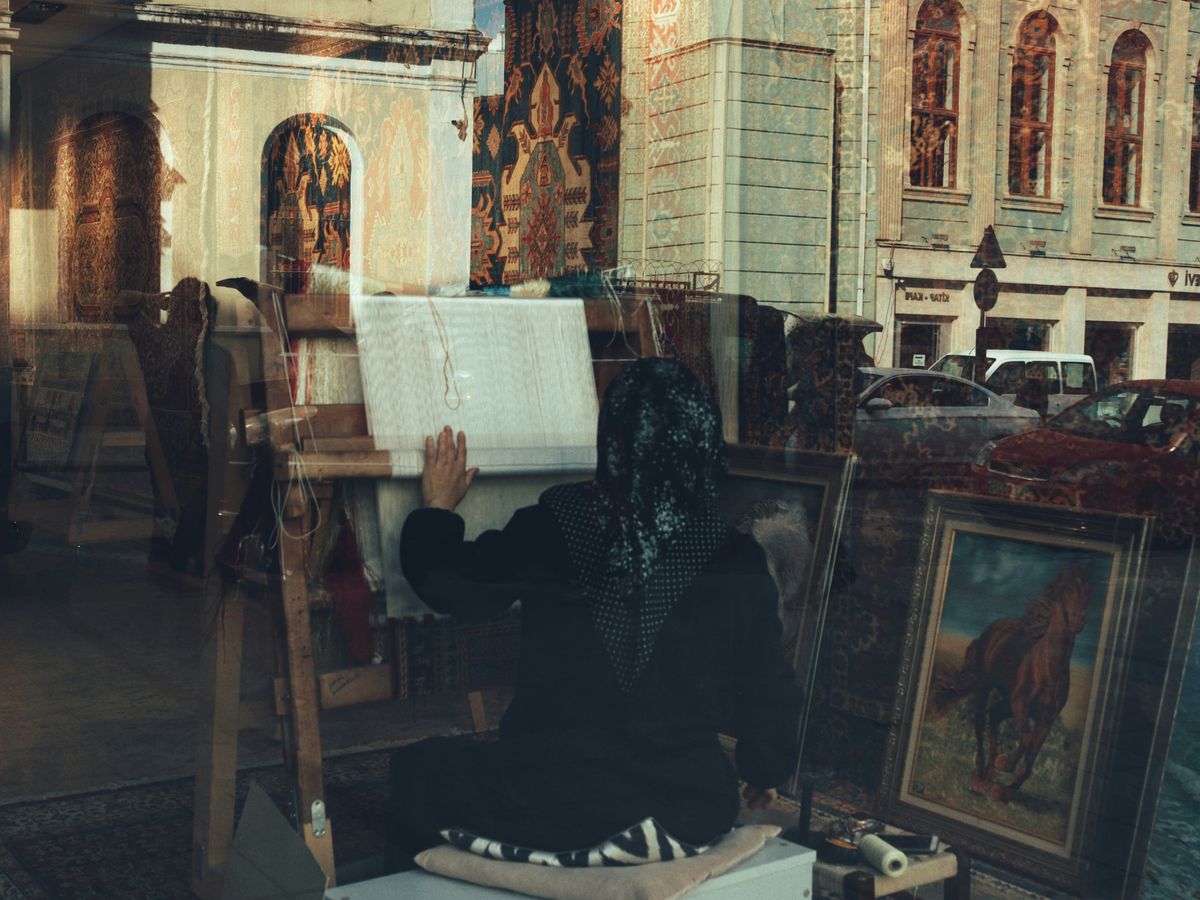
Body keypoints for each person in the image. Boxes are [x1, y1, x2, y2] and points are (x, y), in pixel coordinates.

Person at [387, 358, 802, 865]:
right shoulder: (733, 557)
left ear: (611, 440)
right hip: (680, 808)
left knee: (416, 770)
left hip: (549, 799)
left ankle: (559, 850)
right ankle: (627, 845)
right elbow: (770, 690)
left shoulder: (554, 525)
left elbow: (450, 586)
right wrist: (764, 770)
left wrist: (437, 508)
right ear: (704, 444)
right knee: (699, 780)